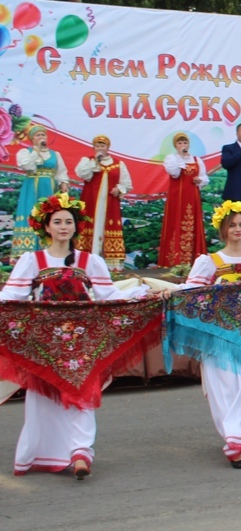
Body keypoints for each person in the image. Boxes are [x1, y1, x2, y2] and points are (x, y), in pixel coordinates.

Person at [1, 193, 148, 478]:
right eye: (57, 221)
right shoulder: (33, 260)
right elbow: (12, 296)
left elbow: (109, 296)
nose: (64, 226)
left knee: (83, 393)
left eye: (69, 221)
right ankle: (44, 453)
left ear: (76, 226)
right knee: (43, 399)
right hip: (45, 342)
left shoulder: (89, 260)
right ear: (46, 226)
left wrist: (144, 293)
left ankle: (80, 452)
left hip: (83, 341)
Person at [179, 201, 241, 467]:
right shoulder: (209, 261)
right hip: (218, 336)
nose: (237, 229)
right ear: (223, 229)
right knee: (220, 388)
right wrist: (169, 293)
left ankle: (236, 438)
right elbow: (191, 292)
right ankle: (235, 437)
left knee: (240, 388)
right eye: (232, 225)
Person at [74, 135, 131, 270]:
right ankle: (86, 263)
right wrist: (95, 163)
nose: (100, 148)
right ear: (94, 148)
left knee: (108, 227)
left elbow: (127, 183)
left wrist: (119, 189)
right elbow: (82, 174)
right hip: (91, 201)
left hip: (110, 203)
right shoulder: (87, 161)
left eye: (102, 146)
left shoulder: (118, 164)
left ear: (107, 148)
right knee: (90, 225)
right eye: (97, 146)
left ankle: (110, 267)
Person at [12, 126, 70, 258]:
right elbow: (27, 166)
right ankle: (27, 254)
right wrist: (36, 150)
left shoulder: (55, 154)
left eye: (43, 135)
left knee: (48, 216)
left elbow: (61, 171)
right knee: (31, 214)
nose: (41, 137)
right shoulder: (26, 152)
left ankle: (49, 251)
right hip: (32, 187)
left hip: (49, 188)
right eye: (38, 135)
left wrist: (64, 183)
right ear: (32, 139)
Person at [158, 133, 209, 267]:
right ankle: (174, 261)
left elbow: (204, 178)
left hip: (192, 198)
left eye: (184, 143)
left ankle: (193, 261)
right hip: (177, 198)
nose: (183, 145)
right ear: (176, 146)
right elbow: (174, 173)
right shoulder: (172, 159)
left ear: (188, 144)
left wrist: (200, 180)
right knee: (176, 223)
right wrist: (181, 158)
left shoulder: (197, 160)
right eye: (179, 143)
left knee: (193, 224)